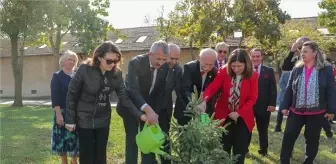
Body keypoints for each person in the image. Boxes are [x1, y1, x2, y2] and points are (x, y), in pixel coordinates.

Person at [65, 41, 147, 164]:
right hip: (84, 118)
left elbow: (124, 97)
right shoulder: (84, 69)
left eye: (116, 61)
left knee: (100, 155)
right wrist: (70, 120)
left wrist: (140, 115)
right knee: (87, 155)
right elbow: (72, 94)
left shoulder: (116, 74)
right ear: (99, 57)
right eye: (109, 61)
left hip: (103, 118)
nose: (113, 64)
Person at [280, 41, 336, 164]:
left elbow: (332, 90)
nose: (302, 54)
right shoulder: (297, 68)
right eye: (301, 51)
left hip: (316, 113)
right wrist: (284, 106)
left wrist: (332, 110)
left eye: (305, 51)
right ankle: (284, 161)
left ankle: (308, 161)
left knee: (312, 139)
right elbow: (289, 88)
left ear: (314, 53)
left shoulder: (326, 69)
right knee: (288, 136)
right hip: (296, 111)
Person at [116, 40, 169, 164]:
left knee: (148, 138)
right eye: (158, 59)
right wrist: (147, 109)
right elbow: (133, 90)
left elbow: (160, 91)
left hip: (149, 107)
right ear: (150, 54)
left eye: (164, 59)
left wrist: (154, 112)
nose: (161, 63)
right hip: (130, 107)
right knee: (132, 139)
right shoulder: (136, 63)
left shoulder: (164, 66)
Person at [202, 48, 258, 164]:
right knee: (223, 149)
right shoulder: (223, 71)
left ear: (246, 64)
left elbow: (253, 98)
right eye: (233, 66)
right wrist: (203, 100)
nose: (236, 69)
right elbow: (213, 87)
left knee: (239, 151)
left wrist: (239, 112)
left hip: (243, 117)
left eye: (239, 66)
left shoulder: (253, 75)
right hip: (223, 116)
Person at [174, 48, 218, 126]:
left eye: (211, 64)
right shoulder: (189, 67)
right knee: (185, 134)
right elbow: (185, 89)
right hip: (186, 107)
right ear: (199, 59)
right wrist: (195, 103)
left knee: (202, 134)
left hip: (204, 110)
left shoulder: (215, 71)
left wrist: (205, 105)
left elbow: (213, 91)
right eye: (205, 64)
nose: (207, 67)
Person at [50, 50, 79, 164]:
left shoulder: (77, 76)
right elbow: (55, 97)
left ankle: (74, 161)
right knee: (62, 140)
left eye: (74, 60)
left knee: (74, 138)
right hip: (62, 112)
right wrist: (58, 114)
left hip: (76, 112)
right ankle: (64, 162)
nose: (71, 62)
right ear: (63, 60)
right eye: (69, 59)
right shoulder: (57, 76)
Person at [159, 43, 184, 164]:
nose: (174, 61)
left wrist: (190, 105)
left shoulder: (178, 70)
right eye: (171, 58)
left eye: (176, 59)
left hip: (165, 108)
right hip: (150, 107)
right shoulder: (157, 65)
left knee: (165, 137)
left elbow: (179, 91)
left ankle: (166, 161)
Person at [250, 48, 277, 156]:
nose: (255, 58)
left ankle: (263, 150)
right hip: (249, 106)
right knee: (246, 129)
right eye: (253, 56)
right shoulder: (246, 70)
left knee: (263, 130)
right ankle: (245, 149)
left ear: (261, 57)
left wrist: (272, 104)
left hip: (264, 106)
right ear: (250, 57)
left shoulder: (269, 71)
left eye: (258, 56)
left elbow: (273, 89)